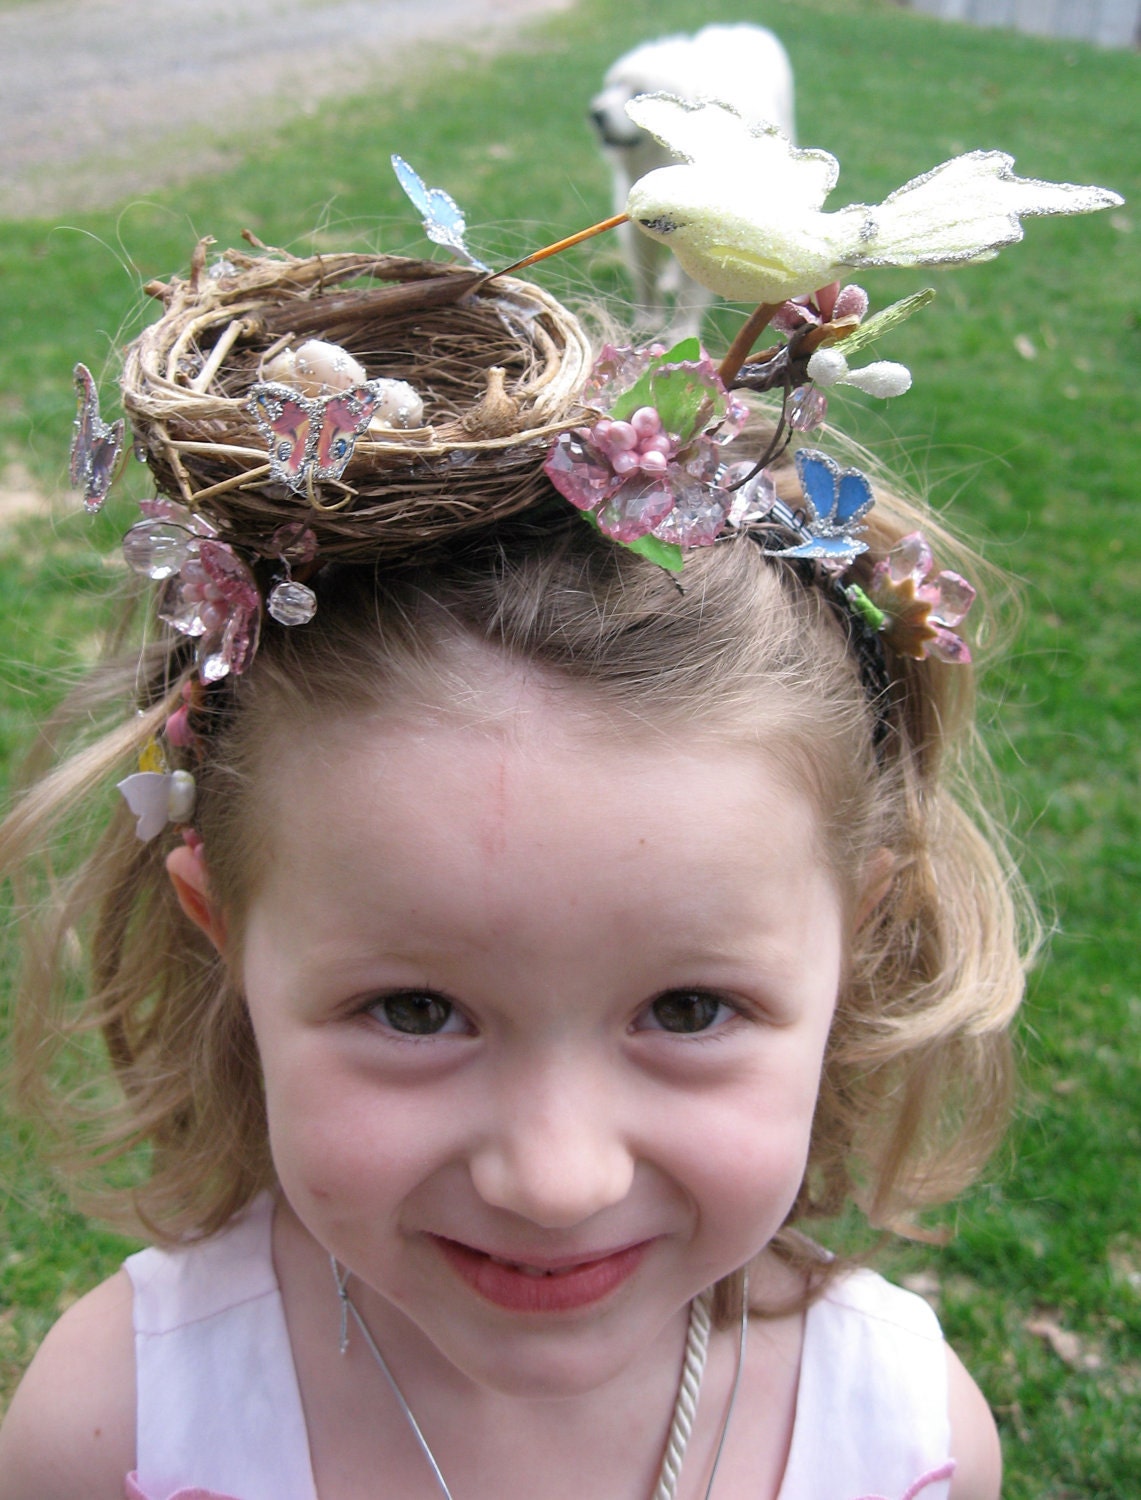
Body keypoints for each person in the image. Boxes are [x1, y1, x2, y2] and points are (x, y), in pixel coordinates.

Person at [1, 117, 1117, 1497]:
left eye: (689, 1009)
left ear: (858, 939)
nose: (555, 1176)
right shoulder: (113, 1436)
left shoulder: (903, 1444)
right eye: (414, 1012)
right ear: (223, 931)